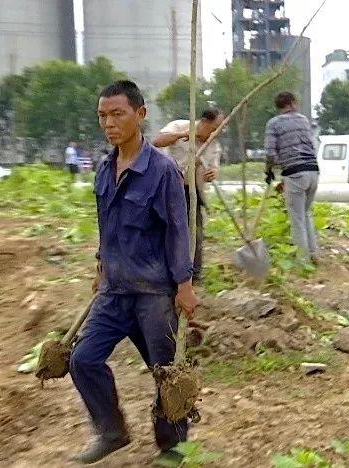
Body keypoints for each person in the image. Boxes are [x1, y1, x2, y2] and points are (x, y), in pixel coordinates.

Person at [68, 80, 199, 465]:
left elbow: (178, 231)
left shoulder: (162, 171)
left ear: (140, 115)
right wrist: (100, 264)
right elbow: (105, 224)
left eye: (117, 114)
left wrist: (184, 285)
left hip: (155, 294)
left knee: (166, 374)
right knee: (83, 360)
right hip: (114, 290)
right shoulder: (105, 169)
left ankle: (173, 445)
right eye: (102, 116)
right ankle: (111, 431)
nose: (108, 123)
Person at [152, 108, 225, 282]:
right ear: (204, 122)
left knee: (195, 231)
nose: (216, 133)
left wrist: (212, 173)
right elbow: (157, 141)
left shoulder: (214, 145)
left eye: (220, 129)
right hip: (168, 187)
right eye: (214, 127)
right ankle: (164, 270)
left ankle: (194, 272)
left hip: (192, 191)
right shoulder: (179, 126)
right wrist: (183, 135)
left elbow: (214, 169)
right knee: (167, 229)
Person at [264, 91, 319, 263]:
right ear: (293, 103)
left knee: (297, 218)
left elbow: (270, 153)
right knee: (306, 213)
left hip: (294, 172)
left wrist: (269, 171)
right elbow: (311, 144)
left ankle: (302, 262)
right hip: (313, 170)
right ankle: (313, 254)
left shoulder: (273, 124)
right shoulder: (303, 120)